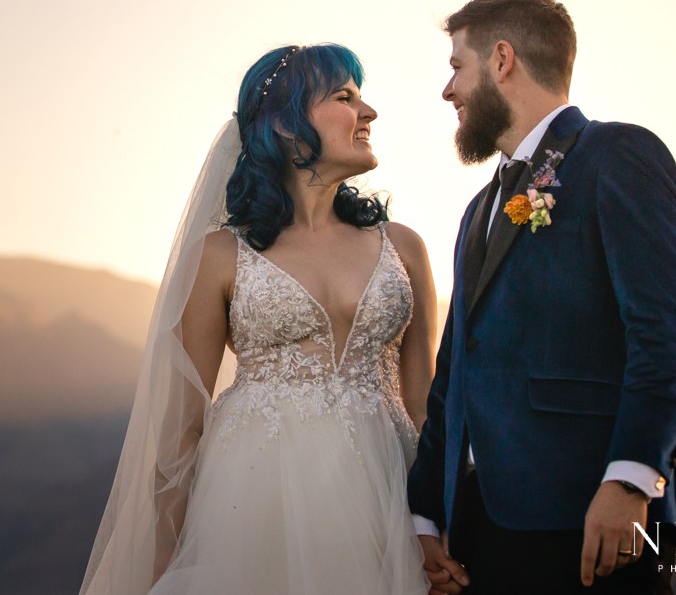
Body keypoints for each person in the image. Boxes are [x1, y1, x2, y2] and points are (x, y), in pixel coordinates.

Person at [81, 43, 435, 595]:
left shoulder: (404, 247)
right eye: (345, 98)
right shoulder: (222, 254)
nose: (368, 114)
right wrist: (159, 565)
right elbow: (180, 432)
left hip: (388, 495)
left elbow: (425, 405)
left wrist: (438, 522)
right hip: (254, 503)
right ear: (289, 128)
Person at [408, 0, 676, 595]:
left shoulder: (618, 156)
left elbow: (662, 334)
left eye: (457, 66)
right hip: (485, 530)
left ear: (503, 59)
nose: (449, 90)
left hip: (594, 519)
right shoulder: (478, 210)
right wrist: (427, 512)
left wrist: (628, 482)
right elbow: (455, 368)